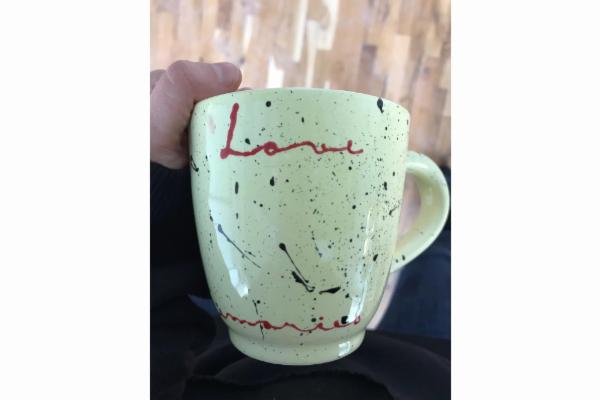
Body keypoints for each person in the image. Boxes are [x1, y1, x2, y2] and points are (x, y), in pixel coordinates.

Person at [151, 60, 451, 400]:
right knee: (438, 268)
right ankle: (445, 222)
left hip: (215, 349)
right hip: (410, 375)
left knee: (435, 271)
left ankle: (444, 221)